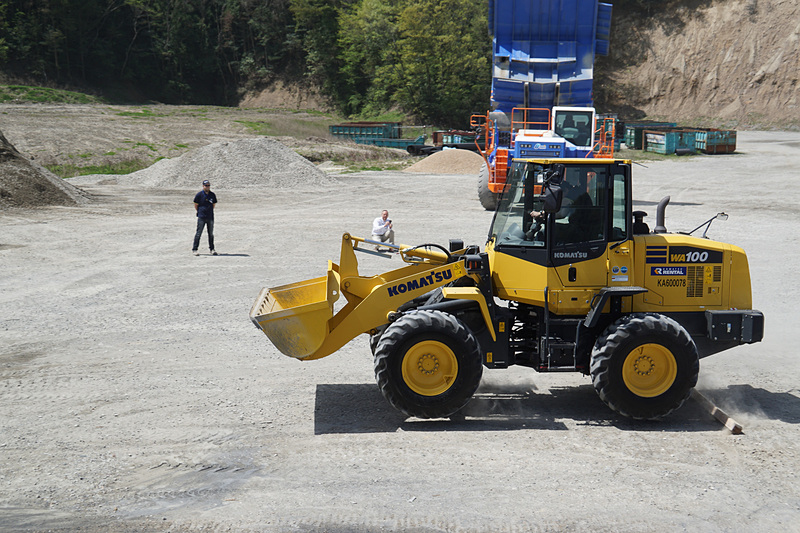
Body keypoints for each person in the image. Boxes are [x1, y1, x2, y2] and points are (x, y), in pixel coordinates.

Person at [192, 180, 217, 256]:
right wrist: (200, 211)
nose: (207, 187)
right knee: (198, 233)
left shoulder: (212, 195)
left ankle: (212, 249)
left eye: (208, 185)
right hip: (201, 217)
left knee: (211, 234)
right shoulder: (199, 195)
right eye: (206, 185)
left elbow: (213, 204)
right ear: (203, 186)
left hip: (210, 217)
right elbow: (196, 205)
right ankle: (195, 249)